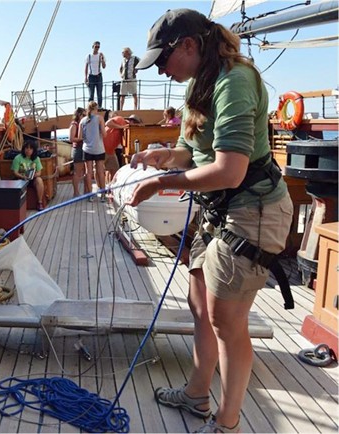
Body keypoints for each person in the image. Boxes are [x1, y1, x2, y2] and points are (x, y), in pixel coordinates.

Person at [129, 9, 293, 433]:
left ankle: (227, 422)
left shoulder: (234, 81)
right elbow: (191, 151)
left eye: (162, 61)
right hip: (220, 210)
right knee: (199, 305)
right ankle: (197, 395)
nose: (161, 71)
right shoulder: (196, 87)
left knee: (226, 322)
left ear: (188, 46)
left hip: (252, 210)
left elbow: (230, 170)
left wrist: (161, 182)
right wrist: (161, 156)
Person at [78, 101, 106, 202]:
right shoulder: (100, 118)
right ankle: (103, 195)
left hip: (87, 149)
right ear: (96, 108)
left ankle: (90, 195)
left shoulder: (82, 121)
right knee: (100, 172)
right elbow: (104, 134)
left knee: (88, 173)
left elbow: (80, 137)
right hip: (98, 148)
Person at [12, 141, 45, 211]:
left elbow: (39, 172)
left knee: (39, 180)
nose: (28, 150)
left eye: (31, 148)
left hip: (32, 179)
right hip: (20, 179)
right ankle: (19, 205)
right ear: (24, 149)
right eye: (26, 148)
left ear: (34, 150)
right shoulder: (17, 158)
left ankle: (39, 202)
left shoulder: (36, 159)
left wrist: (34, 175)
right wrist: (23, 176)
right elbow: (15, 172)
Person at [69, 107, 91, 197]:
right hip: (78, 149)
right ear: (79, 115)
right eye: (84, 115)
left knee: (87, 171)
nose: (85, 116)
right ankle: (76, 192)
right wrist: (82, 138)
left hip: (85, 149)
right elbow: (71, 138)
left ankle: (86, 191)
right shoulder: (74, 125)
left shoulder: (83, 124)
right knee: (77, 172)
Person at [103, 110, 128, 184]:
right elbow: (107, 123)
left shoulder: (126, 131)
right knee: (99, 170)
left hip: (111, 151)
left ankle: (110, 188)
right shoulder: (120, 119)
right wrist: (121, 126)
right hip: (102, 149)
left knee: (115, 170)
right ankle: (100, 189)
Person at [84, 41, 106, 107]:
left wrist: (102, 59)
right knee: (91, 94)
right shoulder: (89, 56)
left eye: (98, 47)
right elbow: (86, 67)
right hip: (91, 76)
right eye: (96, 46)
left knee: (99, 93)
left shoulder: (100, 55)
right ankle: (90, 108)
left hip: (99, 76)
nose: (97, 48)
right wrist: (85, 77)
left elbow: (104, 66)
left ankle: (99, 107)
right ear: (93, 46)